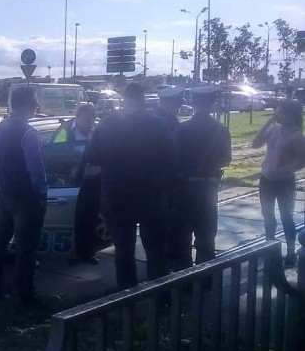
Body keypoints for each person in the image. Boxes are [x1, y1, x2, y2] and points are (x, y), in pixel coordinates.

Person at [87, 83, 177, 290]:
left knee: (123, 248)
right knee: (155, 248)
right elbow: (172, 158)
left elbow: (93, 157)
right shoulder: (158, 124)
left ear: (124, 99)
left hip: (117, 195)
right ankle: (159, 296)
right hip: (150, 195)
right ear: (143, 99)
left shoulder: (107, 124)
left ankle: (127, 296)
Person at [0, 87, 48, 305]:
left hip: (3, 195)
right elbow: (36, 171)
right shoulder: (28, 134)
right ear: (30, 105)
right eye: (35, 104)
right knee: (26, 247)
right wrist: (42, 196)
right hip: (25, 198)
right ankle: (26, 295)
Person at [168, 86, 232, 271]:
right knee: (206, 235)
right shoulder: (221, 130)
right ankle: (205, 279)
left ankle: (184, 277)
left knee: (182, 236)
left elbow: (173, 157)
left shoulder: (183, 129)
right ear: (212, 104)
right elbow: (226, 160)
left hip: (184, 188)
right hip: (208, 189)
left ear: (193, 104)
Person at [252, 99, 305, 267]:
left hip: (284, 182)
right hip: (266, 179)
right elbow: (255, 144)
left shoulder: (297, 136)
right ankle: (270, 248)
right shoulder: (274, 130)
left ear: (291, 115)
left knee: (286, 215)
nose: (278, 114)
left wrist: (283, 170)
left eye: (281, 111)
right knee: (268, 215)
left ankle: (290, 253)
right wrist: (267, 122)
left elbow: (301, 161)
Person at [68, 104, 101, 265]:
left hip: (92, 183)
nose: (91, 122)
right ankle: (73, 252)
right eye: (88, 118)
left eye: (93, 118)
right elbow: (57, 157)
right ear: (78, 116)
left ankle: (87, 252)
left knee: (89, 219)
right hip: (70, 182)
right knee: (74, 220)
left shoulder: (95, 132)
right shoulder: (65, 131)